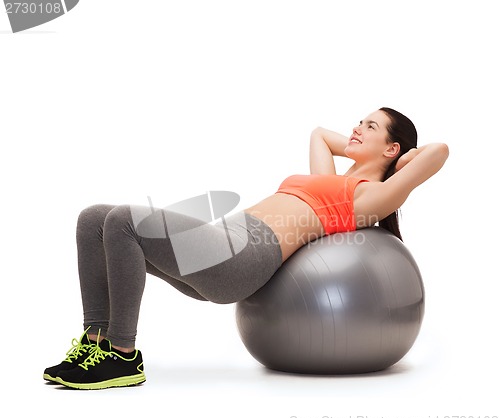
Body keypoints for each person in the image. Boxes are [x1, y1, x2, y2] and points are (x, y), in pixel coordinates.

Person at [43, 107, 449, 389]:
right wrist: (364, 148)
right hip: (224, 239)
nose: (357, 128)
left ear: (392, 149)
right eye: (359, 121)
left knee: (125, 221)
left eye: (371, 126)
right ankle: (93, 346)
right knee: (93, 218)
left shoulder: (371, 198)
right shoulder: (334, 179)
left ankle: (123, 354)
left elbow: (439, 152)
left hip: (243, 258)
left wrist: (402, 162)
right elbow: (320, 135)